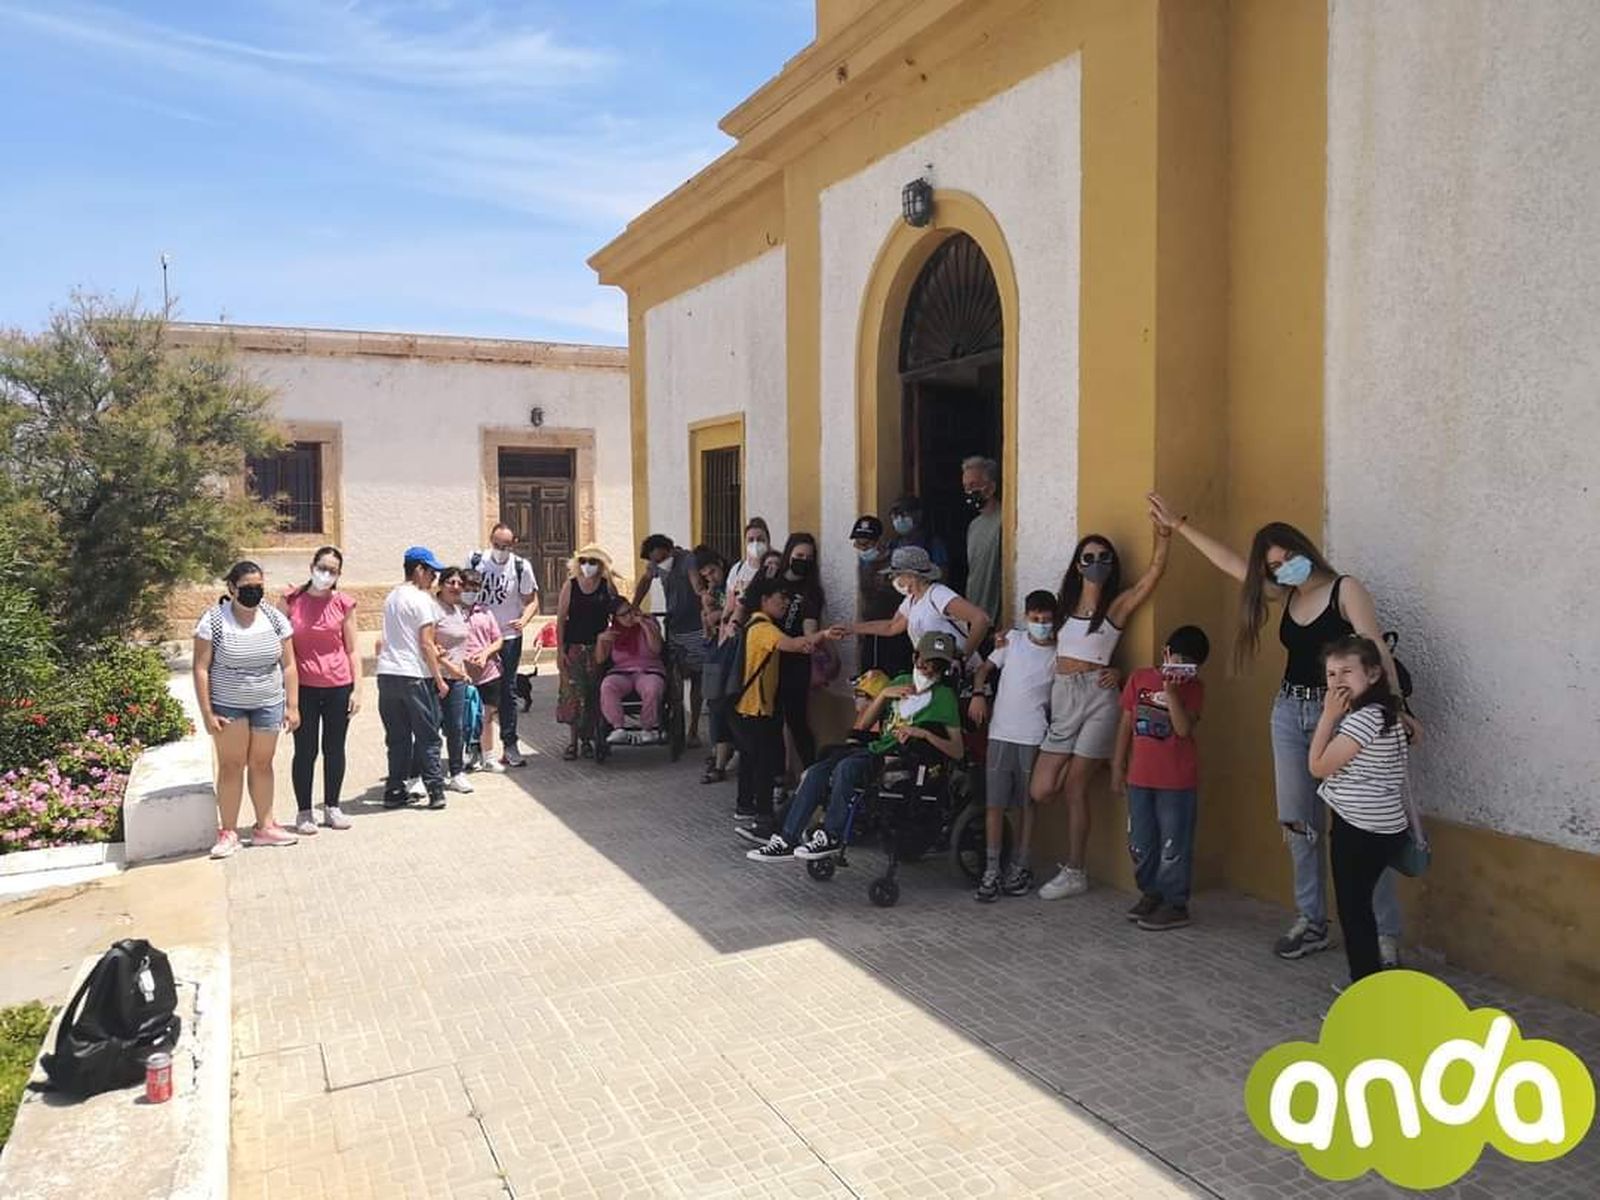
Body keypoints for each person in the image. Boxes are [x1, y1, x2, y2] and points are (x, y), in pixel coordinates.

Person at [1146, 492, 1417, 964]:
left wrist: (1398, 707)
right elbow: (1232, 564)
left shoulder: (1345, 589)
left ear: (1304, 549)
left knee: (1362, 826)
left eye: (1288, 557)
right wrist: (1180, 526)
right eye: (1273, 565)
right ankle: (1312, 921)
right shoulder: (1286, 593)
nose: (1284, 568)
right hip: (1291, 713)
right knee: (1297, 824)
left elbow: (1374, 648)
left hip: (1345, 717)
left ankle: (1383, 935)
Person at [1032, 518, 1172, 900]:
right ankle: (1106, 760)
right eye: (1089, 557)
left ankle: (1075, 870)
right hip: (1064, 696)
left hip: (1099, 697)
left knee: (1075, 787)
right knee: (1042, 789)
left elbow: (1153, 575)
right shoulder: (1062, 607)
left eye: (1104, 557)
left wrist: (1164, 536)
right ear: (1077, 565)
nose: (1096, 563)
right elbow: (1040, 637)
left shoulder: (1116, 606)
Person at [747, 631, 964, 861]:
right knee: (817, 771)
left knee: (846, 768)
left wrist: (925, 734)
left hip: (900, 758)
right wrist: (884, 695)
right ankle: (787, 838)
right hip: (875, 748)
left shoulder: (944, 697)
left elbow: (957, 750)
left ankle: (831, 834)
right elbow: (863, 725)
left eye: (936, 666)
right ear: (915, 657)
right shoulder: (901, 681)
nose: (928, 670)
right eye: (924, 662)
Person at [1309, 636, 1415, 983]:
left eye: (1347, 672)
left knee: (1354, 911)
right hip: (1385, 825)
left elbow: (1318, 766)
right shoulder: (1388, 714)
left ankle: (1365, 986)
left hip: (1358, 827)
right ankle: (1370, 980)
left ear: (1372, 674)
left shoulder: (1361, 720)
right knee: (1361, 905)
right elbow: (1417, 735)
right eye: (1331, 674)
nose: (1337, 682)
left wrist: (1328, 717)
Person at [192, 561, 300, 858]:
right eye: (247, 587)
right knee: (231, 765)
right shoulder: (214, 621)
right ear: (231, 588)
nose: (253, 593)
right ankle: (228, 831)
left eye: (258, 587)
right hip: (229, 706)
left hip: (268, 704)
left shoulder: (275, 619)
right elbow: (200, 668)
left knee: (262, 763)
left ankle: (265, 826)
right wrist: (207, 712)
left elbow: (289, 665)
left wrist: (292, 705)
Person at [1112, 625, 1209, 931]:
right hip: (1140, 778)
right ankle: (1150, 892)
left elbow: (1183, 729)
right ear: (1166, 653)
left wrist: (1172, 692)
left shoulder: (1194, 689)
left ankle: (1175, 903)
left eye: (1190, 666)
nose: (1182, 670)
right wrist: (1117, 765)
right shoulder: (1139, 678)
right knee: (1141, 842)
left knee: (1173, 845)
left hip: (1177, 782)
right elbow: (1126, 722)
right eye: (1179, 661)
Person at [967, 590, 1060, 901]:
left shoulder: (1059, 654)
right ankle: (992, 870)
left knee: (1026, 806)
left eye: (1047, 620)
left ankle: (1020, 866)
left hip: (1033, 736)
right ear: (1026, 617)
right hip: (1000, 734)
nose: (1041, 624)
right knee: (994, 805)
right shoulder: (1012, 641)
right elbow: (983, 669)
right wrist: (978, 695)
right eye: (1035, 618)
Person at [727, 579, 835, 827]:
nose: (785, 603)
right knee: (764, 763)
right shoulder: (763, 628)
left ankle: (745, 806)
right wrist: (824, 635)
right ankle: (764, 817)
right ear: (764, 600)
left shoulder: (754, 624)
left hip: (744, 707)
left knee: (750, 759)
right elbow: (794, 644)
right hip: (755, 708)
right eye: (781, 598)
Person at [284, 547, 359, 834]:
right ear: (312, 566)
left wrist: (358, 690)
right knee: (305, 750)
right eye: (322, 567)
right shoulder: (292, 600)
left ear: (339, 575)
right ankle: (304, 811)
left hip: (338, 685)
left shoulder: (344, 604)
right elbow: (281, 648)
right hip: (303, 687)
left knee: (334, 748)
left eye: (332, 571)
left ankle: (332, 806)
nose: (326, 574)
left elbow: (352, 649)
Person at [836, 546, 991, 675]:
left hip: (962, 674)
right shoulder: (911, 601)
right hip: (934, 673)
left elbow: (981, 619)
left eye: (897, 575)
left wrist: (962, 657)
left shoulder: (938, 594)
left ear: (912, 575)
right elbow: (891, 627)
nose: (894, 579)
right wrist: (851, 629)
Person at [376, 546, 449, 810]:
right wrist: (439, 679)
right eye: (431, 572)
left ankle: (395, 789)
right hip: (414, 675)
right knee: (428, 735)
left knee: (397, 738)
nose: (434, 578)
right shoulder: (422, 600)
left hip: (387, 674)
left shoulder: (391, 597)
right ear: (419, 570)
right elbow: (426, 643)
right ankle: (435, 790)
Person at [470, 523, 540, 768]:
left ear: (514, 544)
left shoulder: (521, 566)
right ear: (490, 540)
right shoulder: (476, 561)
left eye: (506, 546)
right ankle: (475, 747)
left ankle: (509, 744)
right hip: (478, 637)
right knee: (475, 691)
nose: (501, 550)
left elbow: (532, 600)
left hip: (508, 637)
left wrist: (524, 619)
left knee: (507, 691)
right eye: (497, 545)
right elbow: (460, 592)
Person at [633, 534, 705, 746]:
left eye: (661, 558)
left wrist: (703, 594)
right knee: (674, 678)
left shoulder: (687, 559)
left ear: (670, 550)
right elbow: (645, 581)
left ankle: (693, 729)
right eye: (655, 561)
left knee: (697, 678)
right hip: (674, 627)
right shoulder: (656, 564)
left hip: (696, 628)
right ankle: (674, 724)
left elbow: (695, 581)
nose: (659, 563)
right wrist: (634, 604)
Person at [555, 545, 617, 761]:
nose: (587, 566)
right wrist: (560, 650)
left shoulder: (607, 586)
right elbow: (561, 619)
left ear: (600, 565)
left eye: (592, 562)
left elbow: (617, 613)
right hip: (574, 646)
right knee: (573, 694)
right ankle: (572, 742)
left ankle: (588, 740)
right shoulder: (570, 586)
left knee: (594, 694)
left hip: (598, 648)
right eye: (583, 561)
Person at [775, 533, 826, 768]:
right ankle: (778, 773)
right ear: (788, 554)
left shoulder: (811, 590)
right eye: (799, 555)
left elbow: (810, 625)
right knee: (771, 722)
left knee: (797, 720)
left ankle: (809, 771)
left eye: (808, 557)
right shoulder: (773, 581)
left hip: (796, 663)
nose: (803, 560)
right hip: (768, 659)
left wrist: (809, 641)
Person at [433, 567, 484, 794]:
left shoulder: (458, 610)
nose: (456, 587)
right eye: (451, 582)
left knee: (457, 727)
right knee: (430, 728)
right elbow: (426, 643)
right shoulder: (432, 610)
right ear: (441, 585)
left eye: (459, 584)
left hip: (458, 679)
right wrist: (446, 664)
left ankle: (456, 772)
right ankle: (424, 774)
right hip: (435, 678)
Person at [596, 597, 667, 744]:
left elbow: (656, 649)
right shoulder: (613, 632)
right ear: (616, 618)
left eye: (630, 611)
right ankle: (618, 727)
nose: (629, 616)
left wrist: (644, 625)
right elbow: (600, 659)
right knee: (608, 686)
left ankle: (647, 728)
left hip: (649, 669)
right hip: (622, 672)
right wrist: (601, 641)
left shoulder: (648, 622)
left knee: (652, 687)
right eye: (623, 615)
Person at [458, 568, 506, 772]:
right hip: (462, 674)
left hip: (488, 673)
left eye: (475, 589)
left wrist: (485, 654)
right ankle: (467, 754)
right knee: (464, 718)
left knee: (487, 716)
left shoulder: (485, 612)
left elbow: (498, 640)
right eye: (467, 588)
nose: (471, 593)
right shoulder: (451, 613)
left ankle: (488, 756)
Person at [850, 514, 908, 678]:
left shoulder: (897, 563)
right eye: (858, 544)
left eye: (866, 544)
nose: (862, 549)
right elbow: (863, 596)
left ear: (880, 541)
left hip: (897, 630)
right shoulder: (863, 564)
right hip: (871, 630)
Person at [696, 549, 736, 783]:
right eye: (706, 575)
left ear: (721, 563)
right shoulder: (712, 591)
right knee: (714, 703)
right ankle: (718, 753)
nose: (711, 578)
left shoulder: (734, 582)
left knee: (725, 704)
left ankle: (723, 758)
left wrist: (720, 614)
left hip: (732, 652)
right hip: (715, 650)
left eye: (712, 572)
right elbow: (707, 630)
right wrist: (707, 610)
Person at [961, 456, 1004, 629]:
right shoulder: (974, 526)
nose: (969, 491)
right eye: (965, 487)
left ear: (991, 487)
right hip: (975, 615)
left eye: (973, 485)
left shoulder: (1005, 521)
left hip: (996, 618)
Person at [886, 494, 950, 575]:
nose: (899, 520)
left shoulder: (933, 544)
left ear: (918, 514)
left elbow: (942, 574)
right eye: (895, 516)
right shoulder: (893, 545)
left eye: (904, 515)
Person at [725, 518, 771, 609]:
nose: (755, 543)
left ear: (768, 542)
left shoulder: (776, 567)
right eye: (751, 540)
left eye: (760, 539)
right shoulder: (737, 569)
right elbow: (729, 605)